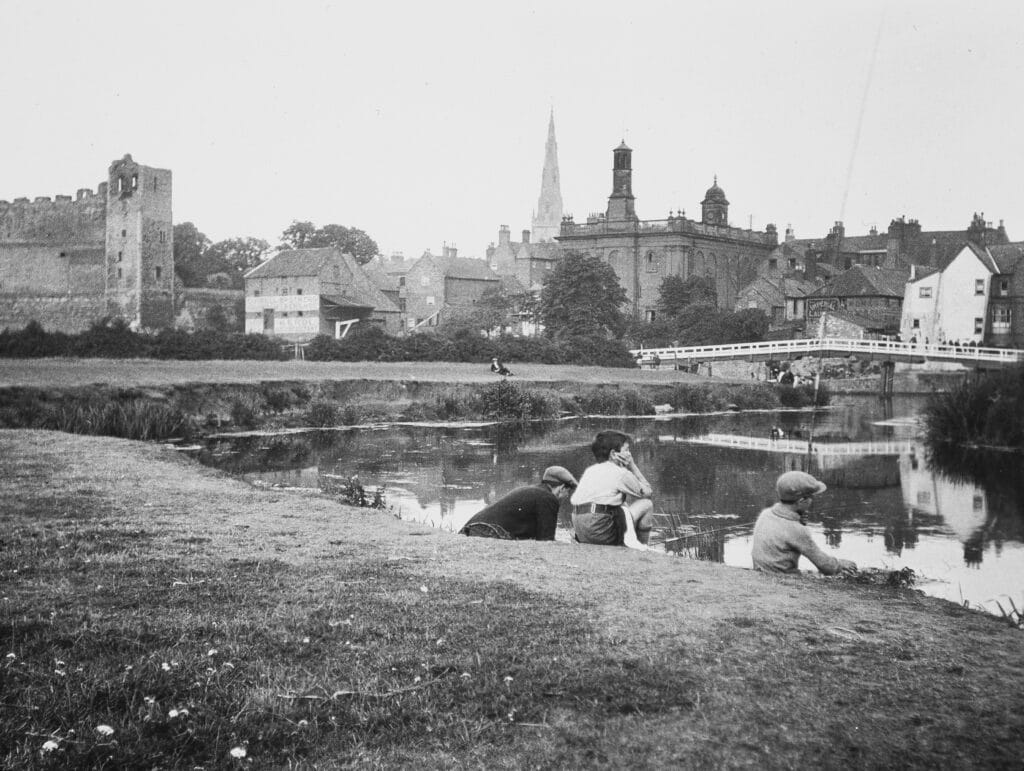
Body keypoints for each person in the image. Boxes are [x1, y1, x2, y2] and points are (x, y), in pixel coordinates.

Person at [751, 470, 857, 575]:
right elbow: (825, 566)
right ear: (802, 501)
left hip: (762, 572)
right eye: (811, 497)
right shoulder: (797, 530)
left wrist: (797, 519)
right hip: (783, 580)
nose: (812, 501)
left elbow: (783, 530)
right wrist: (839, 564)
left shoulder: (765, 514)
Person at [570, 430, 654, 550]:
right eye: (627, 450)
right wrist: (632, 466)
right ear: (614, 454)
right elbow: (648, 493)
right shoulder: (621, 474)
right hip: (600, 533)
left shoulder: (591, 471)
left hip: (581, 532)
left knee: (621, 504)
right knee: (647, 505)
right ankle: (642, 549)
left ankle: (631, 543)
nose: (630, 455)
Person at [459, 466, 577, 540]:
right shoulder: (548, 498)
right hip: (485, 532)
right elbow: (546, 541)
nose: (567, 496)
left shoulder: (533, 491)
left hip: (472, 530)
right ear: (561, 488)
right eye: (568, 491)